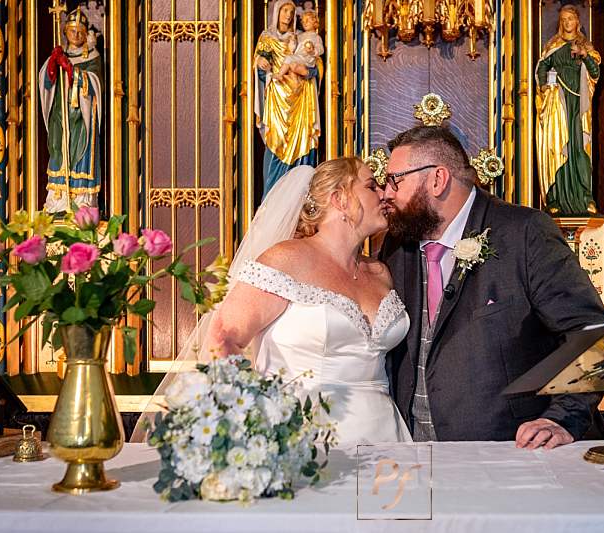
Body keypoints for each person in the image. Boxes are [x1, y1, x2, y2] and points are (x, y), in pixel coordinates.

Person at [132, 159, 411, 447]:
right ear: (339, 198)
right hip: (306, 434)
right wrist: (245, 414)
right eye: (370, 186)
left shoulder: (380, 273)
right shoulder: (286, 260)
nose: (383, 194)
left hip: (386, 433)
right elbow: (224, 337)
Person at [380, 126, 604, 449]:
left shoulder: (525, 233)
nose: (385, 193)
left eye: (395, 180)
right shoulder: (396, 245)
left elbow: (591, 334)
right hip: (415, 456)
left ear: (437, 179)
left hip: (511, 454)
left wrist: (563, 417)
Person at [535, 5, 600, 216]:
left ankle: (584, 196)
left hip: (579, 103)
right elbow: (542, 67)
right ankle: (555, 197)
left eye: (570, 19)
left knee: (579, 148)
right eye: (563, 19)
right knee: (557, 146)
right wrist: (544, 85)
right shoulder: (553, 45)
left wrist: (584, 55)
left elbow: (595, 72)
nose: (566, 23)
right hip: (558, 103)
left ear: (577, 22)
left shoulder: (585, 46)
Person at [39, 6, 103, 214]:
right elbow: (46, 84)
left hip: (81, 119)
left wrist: (72, 72)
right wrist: (52, 67)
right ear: (65, 31)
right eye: (72, 31)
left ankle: (82, 199)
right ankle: (59, 198)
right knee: (58, 152)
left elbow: (95, 85)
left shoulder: (92, 56)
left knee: (81, 154)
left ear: (86, 35)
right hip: (61, 115)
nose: (75, 35)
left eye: (80, 32)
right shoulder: (60, 55)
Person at [254, 0, 321, 197]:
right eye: (284, 10)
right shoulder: (267, 38)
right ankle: (272, 199)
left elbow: (315, 67)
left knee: (303, 144)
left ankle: (300, 197)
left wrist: (307, 70)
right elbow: (259, 71)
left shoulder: (301, 39)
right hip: (277, 98)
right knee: (276, 143)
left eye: (291, 11)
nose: (288, 15)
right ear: (276, 12)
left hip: (301, 99)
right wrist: (260, 63)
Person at [273, 10, 324, 84]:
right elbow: (293, 49)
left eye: (307, 20)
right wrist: (293, 41)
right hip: (298, 57)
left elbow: (321, 49)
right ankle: (296, 83)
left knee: (289, 58)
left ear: (314, 22)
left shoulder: (316, 37)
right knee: (292, 65)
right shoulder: (300, 36)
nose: (305, 23)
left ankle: (280, 75)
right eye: (303, 22)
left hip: (307, 58)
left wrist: (312, 51)